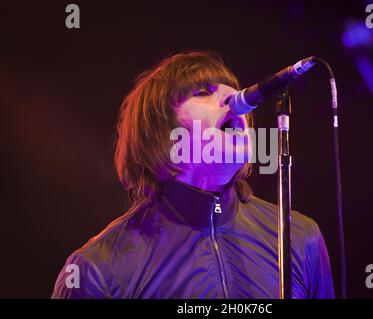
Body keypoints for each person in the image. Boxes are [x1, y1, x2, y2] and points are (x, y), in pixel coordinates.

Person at [51, 50, 335, 299]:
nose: (234, 98)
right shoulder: (97, 269)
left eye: (232, 89)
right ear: (161, 132)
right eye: (203, 92)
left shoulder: (300, 238)